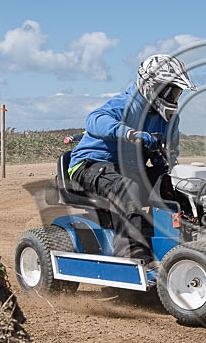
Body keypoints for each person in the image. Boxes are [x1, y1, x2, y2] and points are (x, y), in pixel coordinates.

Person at [68, 54, 196, 268]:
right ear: (151, 86)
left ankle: (187, 238)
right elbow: (93, 120)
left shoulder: (170, 119)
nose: (173, 97)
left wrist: (171, 173)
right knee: (127, 187)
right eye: (170, 91)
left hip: (127, 170)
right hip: (89, 165)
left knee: (176, 184)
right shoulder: (125, 104)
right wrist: (130, 133)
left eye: (177, 92)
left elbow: (169, 156)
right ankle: (131, 253)